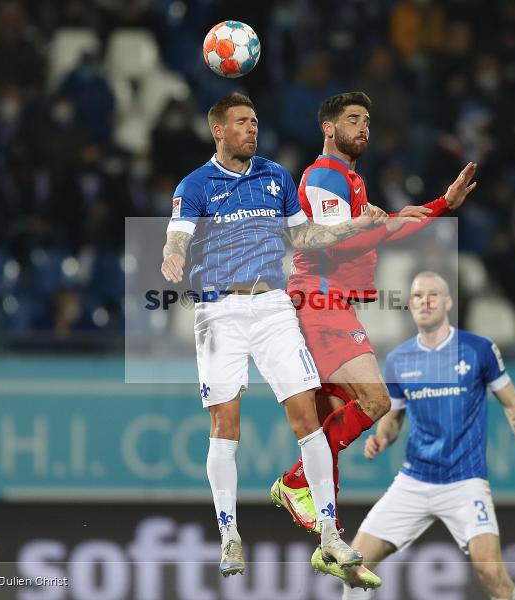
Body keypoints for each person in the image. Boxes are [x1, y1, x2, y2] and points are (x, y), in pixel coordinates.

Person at [160, 92, 385, 577]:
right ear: (218, 130)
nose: (252, 129)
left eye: (255, 120)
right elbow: (177, 231)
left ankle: (330, 533)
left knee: (306, 415)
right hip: (219, 311)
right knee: (226, 427)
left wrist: (354, 225)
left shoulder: (276, 176)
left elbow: (306, 238)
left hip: (272, 307)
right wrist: (173, 253)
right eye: (241, 122)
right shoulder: (196, 184)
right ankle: (230, 535)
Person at [270, 91, 476, 538]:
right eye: (352, 119)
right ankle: (295, 482)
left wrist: (443, 205)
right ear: (329, 128)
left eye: (366, 119)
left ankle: (330, 538)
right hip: (320, 301)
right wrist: (377, 225)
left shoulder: (350, 181)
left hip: (325, 303)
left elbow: (387, 229)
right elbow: (330, 242)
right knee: (376, 401)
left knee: (333, 422)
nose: (363, 126)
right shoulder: (326, 174)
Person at [316, 272, 515, 599]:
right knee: (353, 567)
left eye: (432, 295)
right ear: (410, 306)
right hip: (415, 480)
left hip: (464, 480)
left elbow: (513, 406)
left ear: (447, 302)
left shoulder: (478, 350)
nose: (424, 302)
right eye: (417, 296)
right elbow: (394, 419)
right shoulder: (399, 360)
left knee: (490, 571)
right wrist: (382, 437)